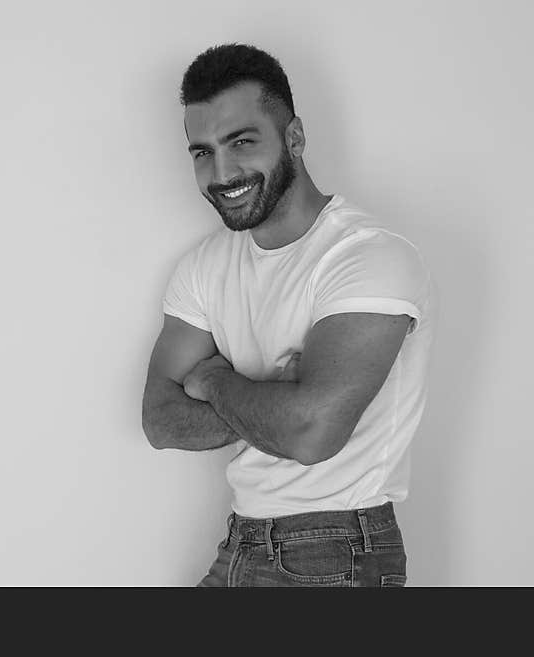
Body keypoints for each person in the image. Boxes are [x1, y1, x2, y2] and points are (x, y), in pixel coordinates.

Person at [141, 44, 435, 587]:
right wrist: (272, 398)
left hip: (337, 549)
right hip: (241, 541)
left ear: (294, 138)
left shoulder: (368, 256)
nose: (221, 171)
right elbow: (159, 420)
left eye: (242, 142)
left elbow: (310, 433)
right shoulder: (204, 267)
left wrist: (212, 379)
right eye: (202, 152)